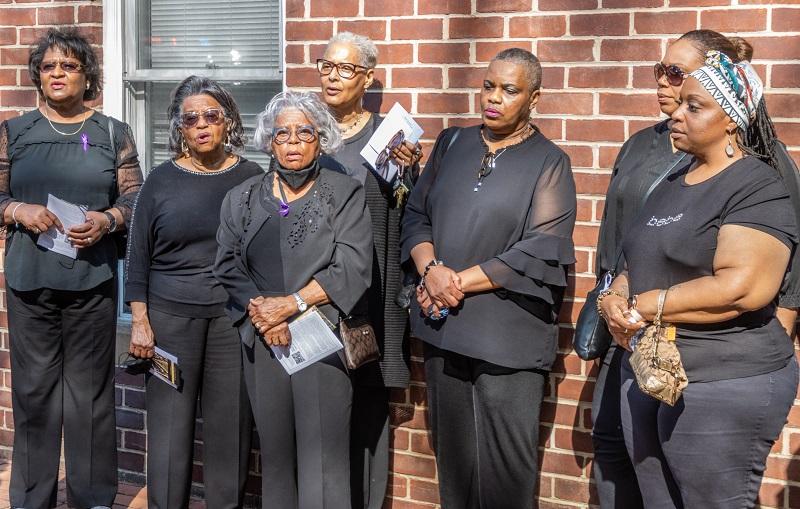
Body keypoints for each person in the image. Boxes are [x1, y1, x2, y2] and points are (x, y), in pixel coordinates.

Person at [589, 30, 800, 508]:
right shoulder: (673, 180)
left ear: (731, 120)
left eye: (694, 106)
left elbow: (743, 289)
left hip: (721, 380)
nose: (677, 114)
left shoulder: (756, 183)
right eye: (679, 103)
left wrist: (645, 306)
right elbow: (634, 259)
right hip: (650, 370)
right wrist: (616, 297)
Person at [400, 48, 576, 509]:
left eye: (510, 90)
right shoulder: (451, 143)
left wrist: (453, 282)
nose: (493, 98)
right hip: (444, 331)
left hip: (506, 341)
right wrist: (431, 270)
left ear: (533, 98)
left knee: (505, 478)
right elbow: (417, 216)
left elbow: (540, 248)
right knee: (453, 470)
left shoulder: (550, 162)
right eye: (488, 85)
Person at [0, 27, 143, 508]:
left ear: (87, 75)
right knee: (34, 394)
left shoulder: (110, 133)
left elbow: (135, 195)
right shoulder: (14, 132)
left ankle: (93, 496)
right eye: (48, 67)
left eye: (69, 66)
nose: (57, 74)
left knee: (90, 397)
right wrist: (17, 211)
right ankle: (31, 498)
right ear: (37, 77)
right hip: (29, 281)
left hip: (91, 281)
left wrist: (107, 219)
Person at [214, 90, 372, 508]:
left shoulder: (345, 192)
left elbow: (353, 267)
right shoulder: (243, 197)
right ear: (269, 141)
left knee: (325, 459)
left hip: (322, 340)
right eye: (283, 133)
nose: (293, 142)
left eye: (305, 132)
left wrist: (292, 304)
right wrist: (267, 315)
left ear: (320, 138)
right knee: (277, 458)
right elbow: (227, 263)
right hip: (265, 338)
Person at [124, 76, 260, 509]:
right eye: (191, 118)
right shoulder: (160, 181)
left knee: (230, 429)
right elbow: (138, 258)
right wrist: (140, 322)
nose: (201, 125)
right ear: (179, 128)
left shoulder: (251, 177)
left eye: (211, 115)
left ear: (228, 121)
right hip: (167, 325)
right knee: (168, 431)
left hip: (229, 323)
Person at [316, 31, 423, 509]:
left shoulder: (387, 136)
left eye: (345, 69)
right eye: (326, 66)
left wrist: (409, 173)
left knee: (367, 403)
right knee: (321, 402)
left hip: (368, 294)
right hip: (313, 289)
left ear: (367, 79)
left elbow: (406, 213)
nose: (332, 77)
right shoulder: (307, 131)